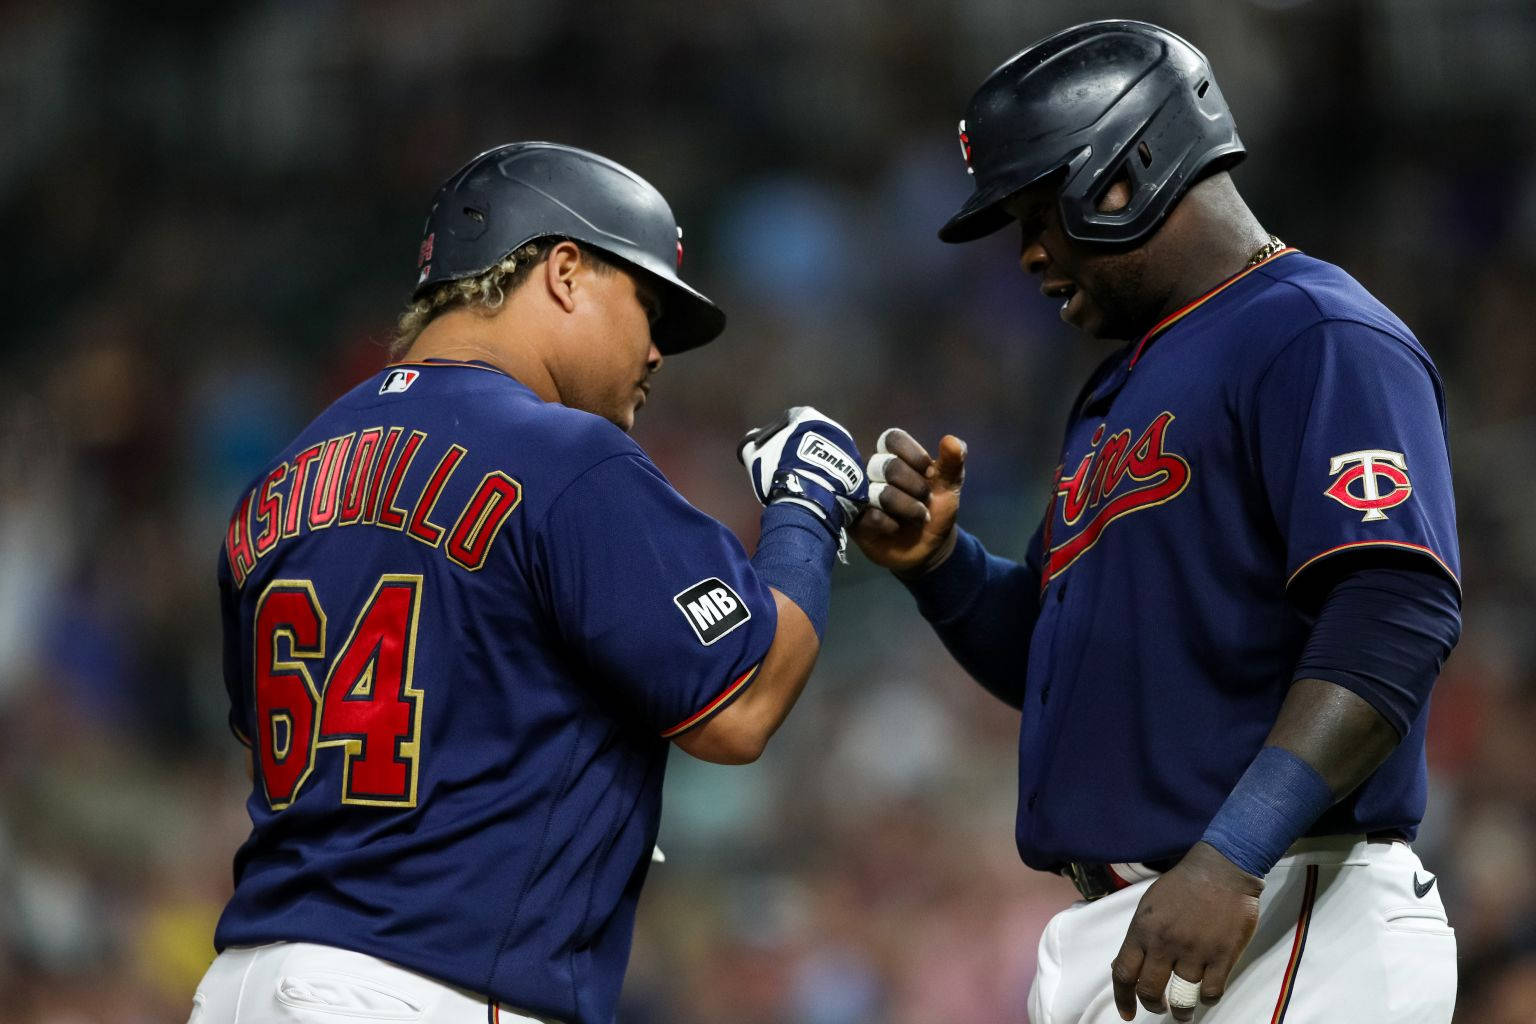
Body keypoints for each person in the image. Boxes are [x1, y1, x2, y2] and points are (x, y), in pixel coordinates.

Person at [855, 21, 1462, 1024]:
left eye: (1038, 211)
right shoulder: (1120, 390)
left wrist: (1233, 853)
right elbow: (1072, 669)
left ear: (1129, 169)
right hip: (1161, 922)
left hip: (1285, 910)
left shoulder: (1314, 329)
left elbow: (1393, 612)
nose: (1031, 253)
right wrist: (942, 568)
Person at [190, 142, 868, 1024]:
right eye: (648, 305)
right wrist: (806, 509)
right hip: (427, 988)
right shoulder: (567, 456)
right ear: (564, 271)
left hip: (244, 984)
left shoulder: (281, 476)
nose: (659, 351)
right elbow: (741, 707)